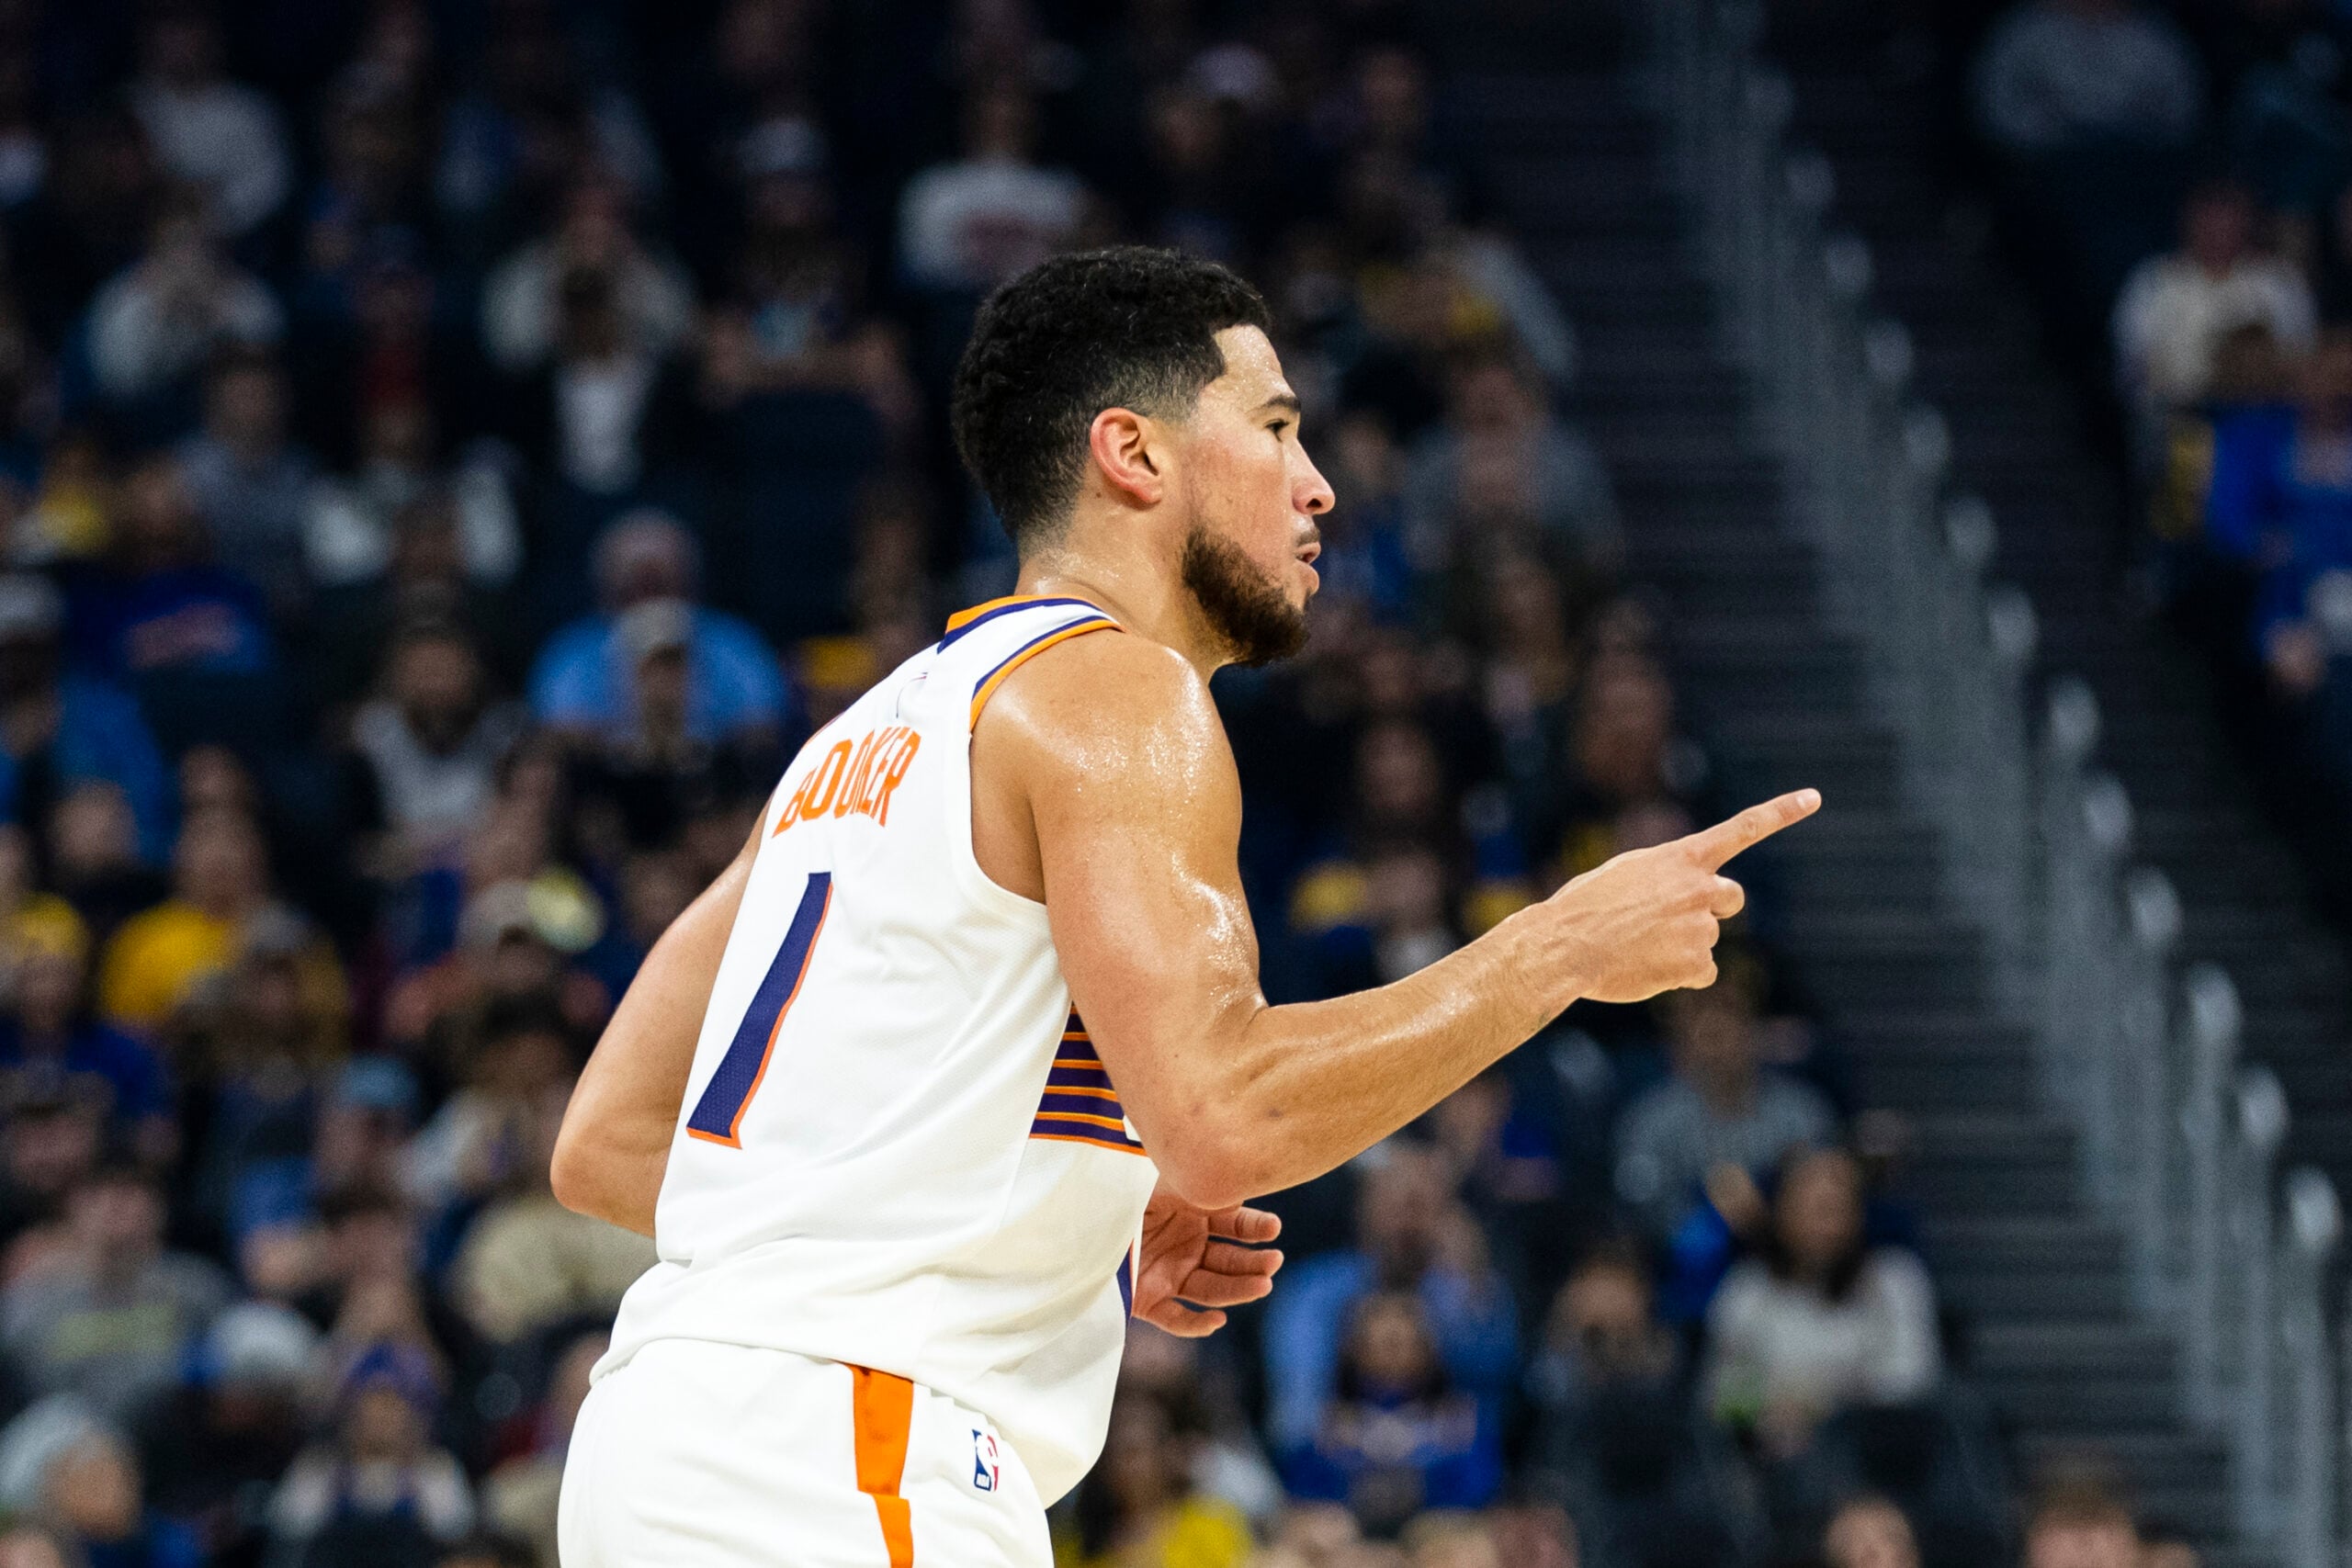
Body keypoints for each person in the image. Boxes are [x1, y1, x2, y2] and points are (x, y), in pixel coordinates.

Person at [550, 246, 1817, 1564]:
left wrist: (1049, 1217)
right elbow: (1226, 1117)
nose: (1319, 482)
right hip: (847, 1451)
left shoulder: (856, 742)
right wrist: (1558, 946)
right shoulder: (1121, 693)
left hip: (674, 1434)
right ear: (1134, 454)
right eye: (1274, 426)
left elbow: (610, 1137)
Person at [1703, 1147, 1940, 1457]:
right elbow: (1725, 1398)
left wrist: (1813, 1403)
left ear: (1859, 1214)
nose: (1825, 1226)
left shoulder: (1895, 1279)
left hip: (1875, 1455)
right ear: (1780, 1213)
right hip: (1772, 1459)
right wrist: (1774, 1409)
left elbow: (1909, 1382)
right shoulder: (1747, 1289)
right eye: (1811, 1209)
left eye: (1836, 1209)